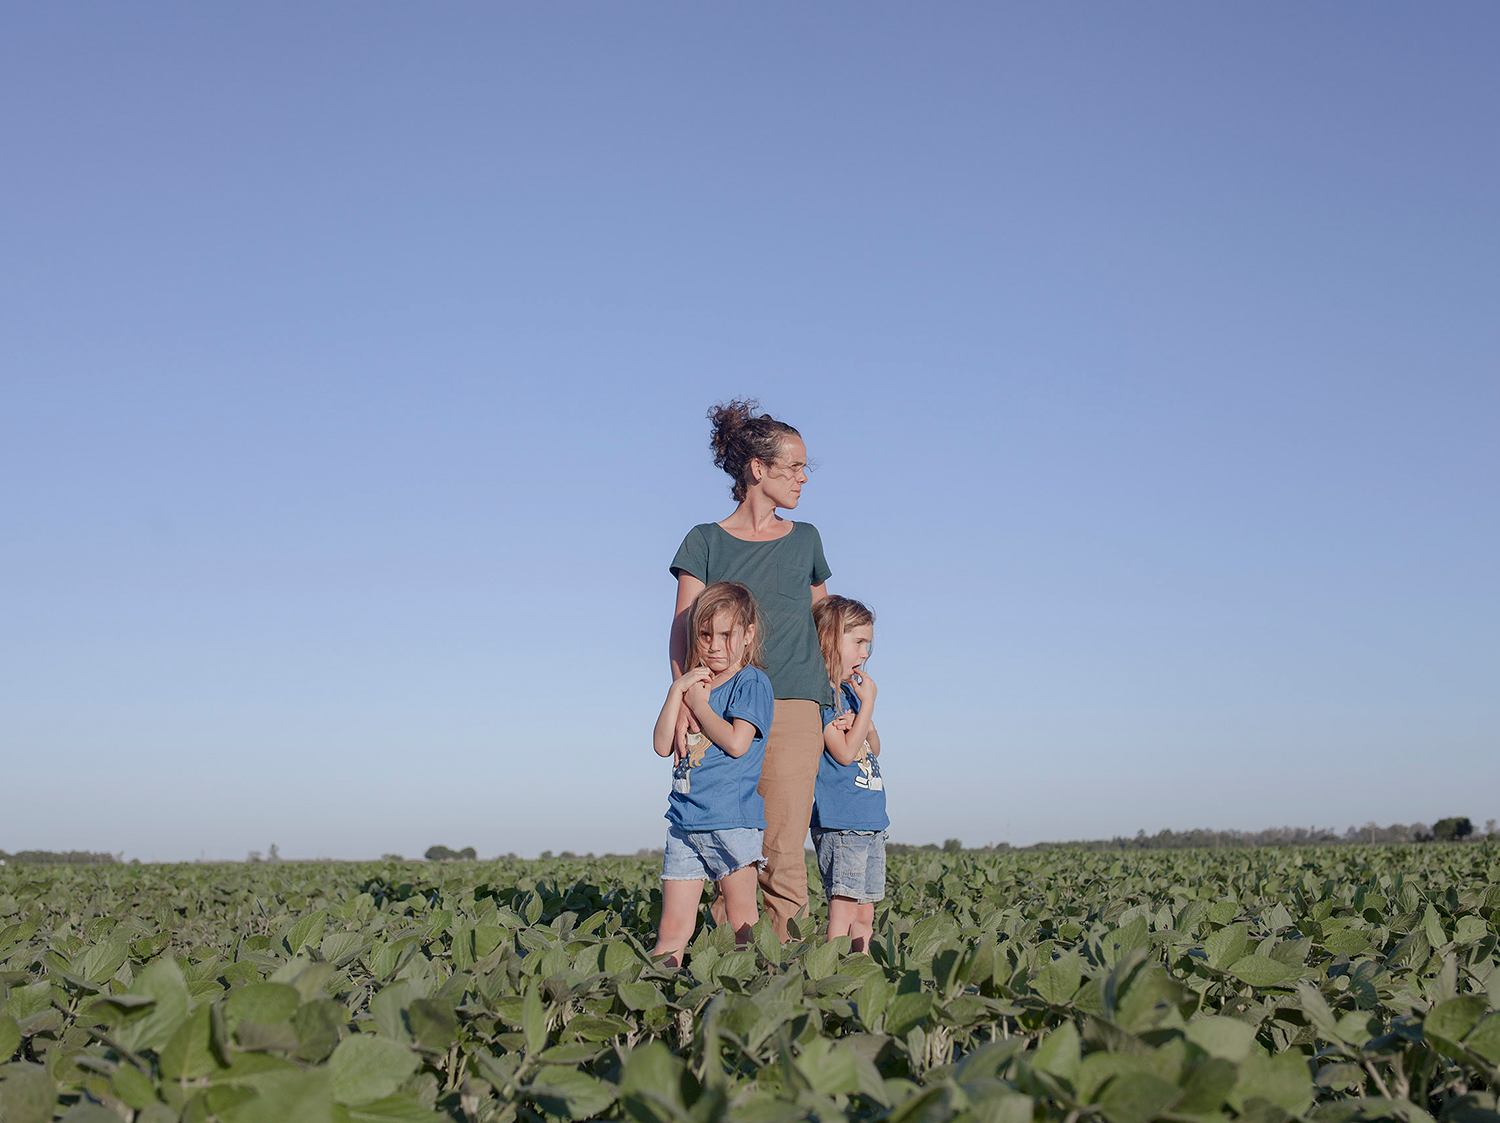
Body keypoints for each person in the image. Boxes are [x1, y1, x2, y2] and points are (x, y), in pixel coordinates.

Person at [669, 400, 831, 941]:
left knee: (783, 843)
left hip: (794, 705)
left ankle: (789, 967)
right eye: (795, 467)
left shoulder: (806, 539)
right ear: (758, 470)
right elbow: (683, 628)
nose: (804, 477)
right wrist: (687, 699)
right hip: (720, 708)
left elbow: (824, 626)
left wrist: (843, 702)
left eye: (807, 468)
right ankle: (731, 965)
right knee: (726, 837)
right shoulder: (704, 541)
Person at [650, 582, 775, 966]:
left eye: (726, 635)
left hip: (731, 822)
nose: (714, 645)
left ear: (748, 635)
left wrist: (700, 707)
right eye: (704, 635)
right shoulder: (693, 685)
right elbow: (660, 745)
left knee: (743, 923)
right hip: (686, 822)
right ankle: (653, 1004)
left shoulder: (750, 682)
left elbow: (738, 742)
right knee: (672, 927)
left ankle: (753, 995)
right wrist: (678, 692)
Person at [809, 596, 885, 953]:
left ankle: (859, 972)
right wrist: (868, 705)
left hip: (870, 821)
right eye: (858, 642)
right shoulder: (823, 694)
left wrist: (862, 721)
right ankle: (832, 974)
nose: (865, 653)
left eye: (867, 644)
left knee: (866, 915)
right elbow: (842, 753)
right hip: (842, 822)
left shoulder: (851, 696)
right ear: (829, 638)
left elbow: (874, 746)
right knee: (843, 911)